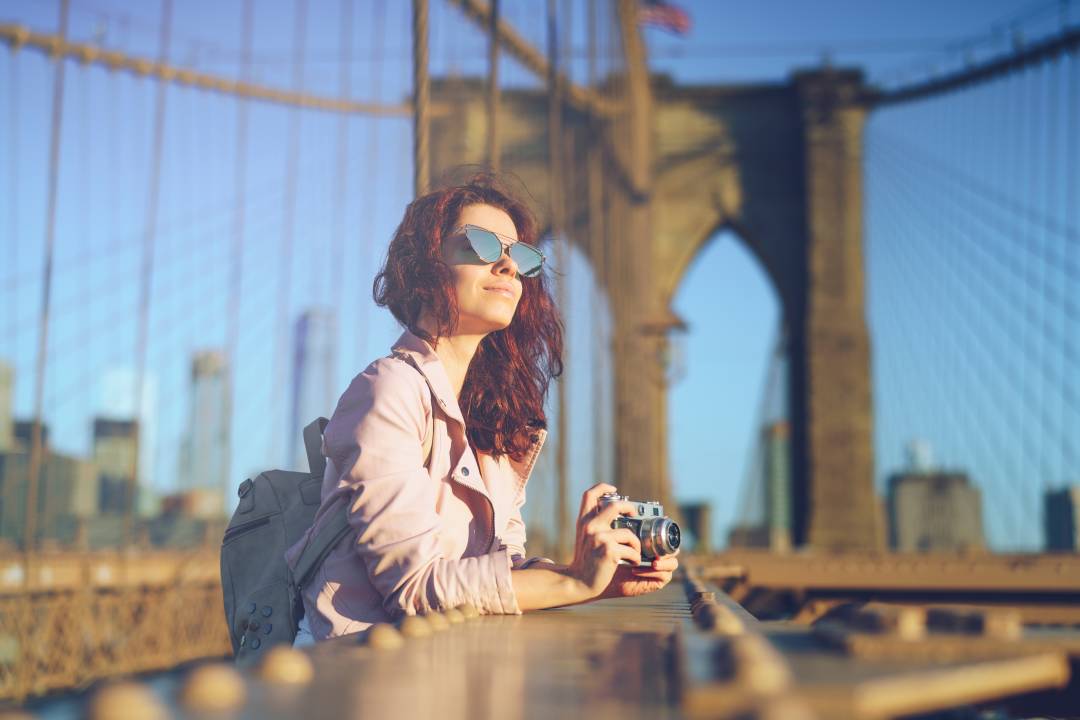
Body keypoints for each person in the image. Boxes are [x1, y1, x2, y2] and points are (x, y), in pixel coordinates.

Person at [285, 174, 678, 643]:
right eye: (483, 246)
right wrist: (572, 581)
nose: (508, 267)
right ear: (424, 265)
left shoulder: (493, 420)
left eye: (521, 256)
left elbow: (496, 573)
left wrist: (595, 577)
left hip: (443, 668)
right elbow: (413, 587)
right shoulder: (387, 390)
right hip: (358, 675)